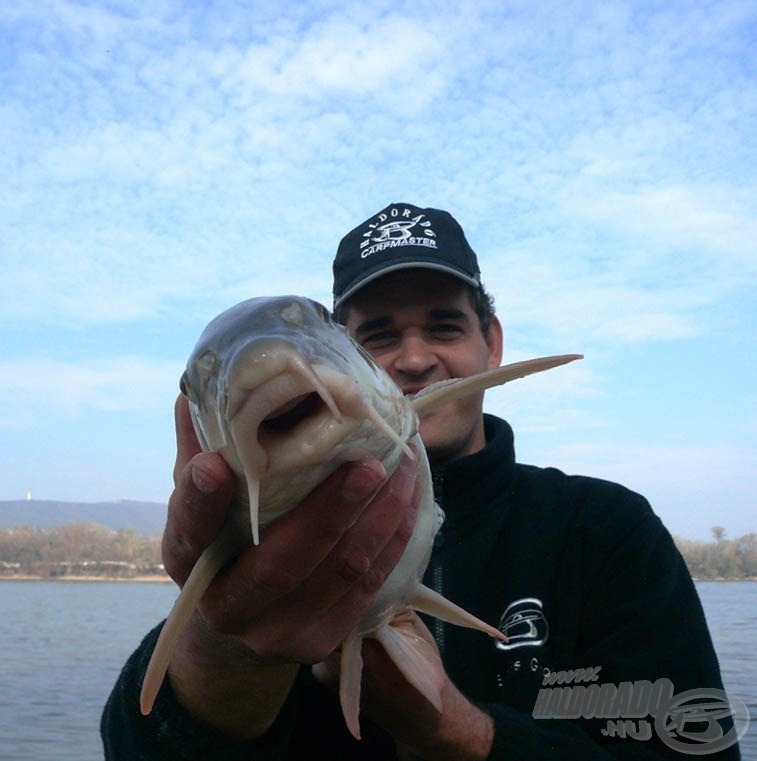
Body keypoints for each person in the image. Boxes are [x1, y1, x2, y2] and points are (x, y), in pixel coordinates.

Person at [102, 202, 740, 759]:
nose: (413, 359)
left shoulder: (609, 532)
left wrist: (458, 734)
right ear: (346, 355)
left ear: (491, 343)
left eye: (443, 326)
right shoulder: (257, 546)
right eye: (378, 335)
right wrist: (228, 644)